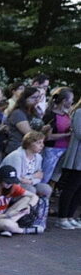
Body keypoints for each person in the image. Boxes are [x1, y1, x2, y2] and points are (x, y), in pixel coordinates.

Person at [0, 131, 51, 231]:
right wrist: (33, 178)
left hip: (29, 182)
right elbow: (16, 178)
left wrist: (30, 179)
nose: (42, 145)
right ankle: (24, 216)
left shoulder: (38, 157)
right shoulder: (17, 156)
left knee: (46, 189)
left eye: (42, 142)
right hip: (10, 184)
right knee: (30, 190)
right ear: (29, 143)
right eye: (39, 143)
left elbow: (40, 176)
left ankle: (39, 217)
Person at [0, 165, 40, 236]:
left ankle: (9, 228)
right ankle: (21, 230)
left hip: (6, 215)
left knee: (28, 199)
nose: (10, 184)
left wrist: (29, 206)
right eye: (7, 182)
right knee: (8, 224)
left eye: (12, 181)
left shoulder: (12, 187)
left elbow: (34, 196)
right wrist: (6, 216)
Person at [56, 96, 81, 229]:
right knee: (71, 187)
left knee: (79, 189)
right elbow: (79, 132)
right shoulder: (79, 112)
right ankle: (62, 217)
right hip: (77, 157)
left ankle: (70, 216)